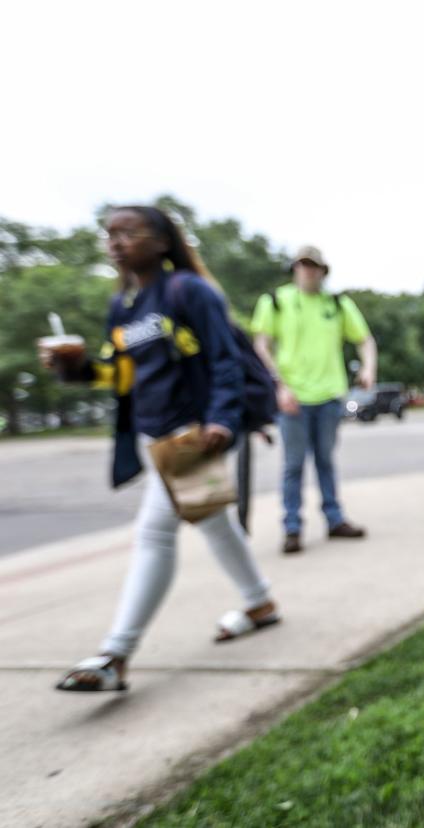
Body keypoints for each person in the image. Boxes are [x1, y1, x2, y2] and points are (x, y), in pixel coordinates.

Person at [45, 206, 280, 693]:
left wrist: (221, 418)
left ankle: (116, 653)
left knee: (154, 532)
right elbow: (122, 373)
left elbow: (224, 360)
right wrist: (80, 371)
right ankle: (259, 601)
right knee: (213, 522)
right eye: (109, 234)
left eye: (128, 232)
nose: (115, 242)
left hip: (191, 433)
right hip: (154, 436)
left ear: (162, 241)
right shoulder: (124, 307)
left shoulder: (188, 292)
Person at [251, 246, 376, 554]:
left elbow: (365, 339)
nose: (307, 270)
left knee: (325, 461)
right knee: (293, 464)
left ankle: (334, 519)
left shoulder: (336, 304)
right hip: (293, 396)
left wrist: (369, 368)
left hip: (330, 395)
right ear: (294, 269)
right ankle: (291, 527)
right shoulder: (277, 302)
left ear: (323, 270)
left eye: (313, 266)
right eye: (301, 265)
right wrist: (279, 385)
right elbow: (261, 346)